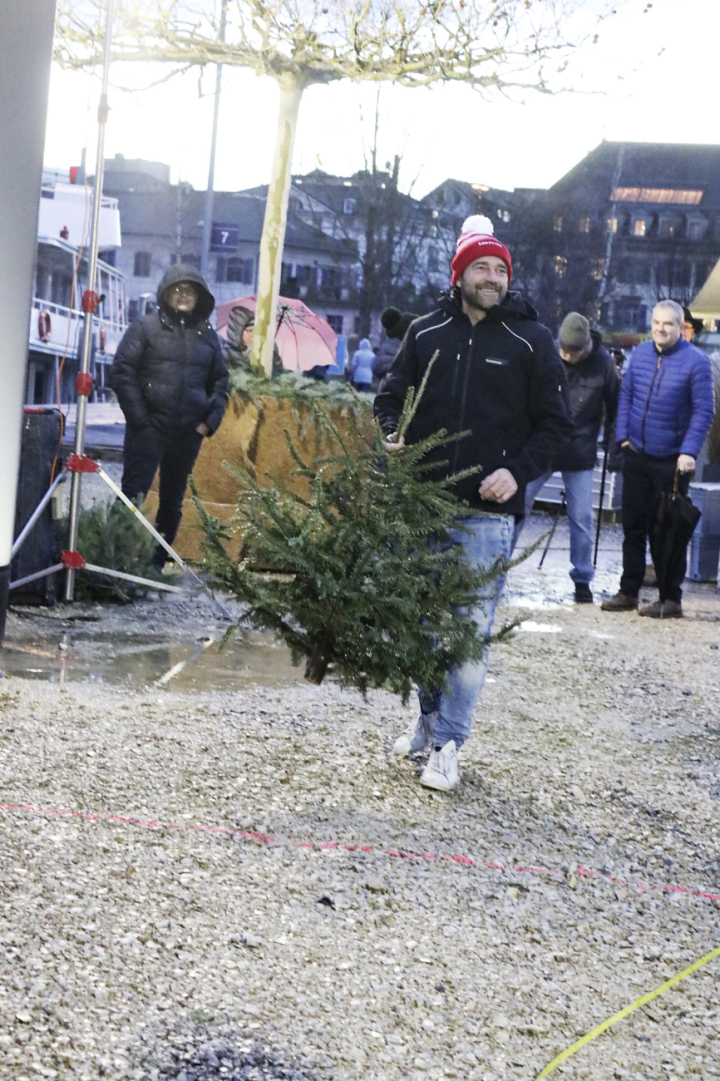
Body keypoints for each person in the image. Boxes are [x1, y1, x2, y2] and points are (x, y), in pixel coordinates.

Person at [374, 215, 572, 791]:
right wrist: (393, 431)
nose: (492, 278)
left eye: (500, 269)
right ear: (459, 272)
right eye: (481, 267)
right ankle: (429, 717)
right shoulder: (426, 330)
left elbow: (556, 427)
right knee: (414, 628)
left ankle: (448, 745)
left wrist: (518, 472)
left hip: (485, 517)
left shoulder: (529, 341)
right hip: (420, 505)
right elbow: (391, 395)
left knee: (467, 633)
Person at [111, 264, 229, 571]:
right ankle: (111, 560)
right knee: (132, 495)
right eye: (178, 290)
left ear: (199, 298)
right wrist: (140, 420)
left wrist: (208, 423)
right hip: (149, 429)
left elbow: (220, 382)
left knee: (172, 502)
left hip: (188, 432)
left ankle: (154, 565)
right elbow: (122, 371)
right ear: (167, 293)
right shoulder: (146, 327)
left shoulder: (208, 337)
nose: (184, 296)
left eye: (190, 292)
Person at [601, 300, 714, 618]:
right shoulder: (640, 355)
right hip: (636, 453)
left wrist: (688, 451)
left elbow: (704, 410)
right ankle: (628, 591)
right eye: (655, 323)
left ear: (681, 327)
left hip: (672, 461)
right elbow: (627, 396)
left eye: (667, 324)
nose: (660, 329)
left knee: (667, 529)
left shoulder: (696, 362)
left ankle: (670, 599)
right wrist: (622, 436)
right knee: (632, 525)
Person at [522, 312, 620, 603]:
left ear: (586, 344)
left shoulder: (604, 364)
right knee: (517, 505)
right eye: (564, 349)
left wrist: (614, 453)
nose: (567, 354)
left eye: (574, 351)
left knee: (581, 517)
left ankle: (581, 579)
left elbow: (615, 411)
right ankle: (498, 567)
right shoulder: (545, 354)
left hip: (579, 449)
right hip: (541, 444)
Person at [226, 305, 284, 376]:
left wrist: (274, 357)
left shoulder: (256, 352)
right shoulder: (226, 356)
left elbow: (279, 375)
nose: (253, 335)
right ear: (237, 332)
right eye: (250, 330)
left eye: (255, 331)